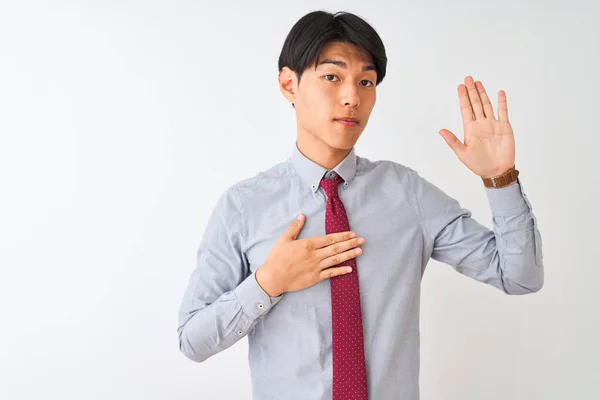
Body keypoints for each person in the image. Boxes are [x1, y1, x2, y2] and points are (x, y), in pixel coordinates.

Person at [176, 10, 544, 400]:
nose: (352, 97)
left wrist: (500, 177)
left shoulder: (406, 192)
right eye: (332, 77)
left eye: (366, 81)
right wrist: (269, 282)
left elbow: (519, 276)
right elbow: (192, 341)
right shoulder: (243, 206)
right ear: (289, 84)